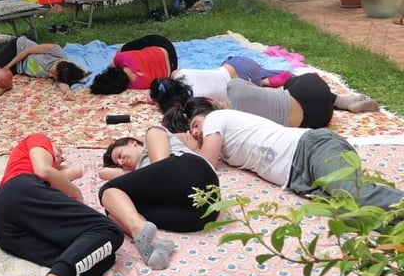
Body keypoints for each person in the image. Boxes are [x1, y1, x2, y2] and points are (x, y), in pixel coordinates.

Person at [0, 133, 125, 276]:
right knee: (109, 231)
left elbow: (54, 176)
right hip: (18, 192)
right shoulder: (38, 139)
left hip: (5, 229)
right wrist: (76, 194)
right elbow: (44, 170)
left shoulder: (44, 188)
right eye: (58, 152)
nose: (59, 157)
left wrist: (70, 173)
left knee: (101, 257)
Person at [165, 101, 404, 215]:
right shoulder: (226, 148)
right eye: (193, 132)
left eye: (195, 125)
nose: (196, 132)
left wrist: (190, 145)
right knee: (352, 213)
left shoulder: (216, 119)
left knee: (351, 192)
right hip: (299, 180)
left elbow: (206, 164)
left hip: (310, 148)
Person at [98, 125, 220, 267]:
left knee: (108, 190)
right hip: (198, 217)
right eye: (118, 164)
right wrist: (129, 172)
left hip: (193, 172)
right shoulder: (142, 177)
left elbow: (161, 166)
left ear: (133, 142)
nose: (121, 162)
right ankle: (157, 245)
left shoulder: (153, 132)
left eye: (119, 155)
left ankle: (141, 232)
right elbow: (103, 173)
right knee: (113, 210)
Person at [151, 74, 380, 129]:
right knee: (294, 82)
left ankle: (339, 102)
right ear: (211, 100)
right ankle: (340, 99)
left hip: (316, 121)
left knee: (291, 92)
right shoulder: (234, 88)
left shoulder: (228, 128)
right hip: (312, 95)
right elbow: (253, 85)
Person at [0, 36, 87, 98]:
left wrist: (68, 91)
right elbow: (27, 51)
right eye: (52, 73)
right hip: (18, 50)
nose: (49, 75)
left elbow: (61, 83)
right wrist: (6, 67)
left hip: (19, 68)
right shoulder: (56, 52)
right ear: (58, 64)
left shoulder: (62, 73)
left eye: (52, 77)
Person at [167, 55, 292, 101]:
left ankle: (264, 82)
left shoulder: (194, 99)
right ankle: (264, 79)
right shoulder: (182, 74)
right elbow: (173, 73)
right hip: (237, 64)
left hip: (244, 83)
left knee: (251, 80)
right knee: (228, 64)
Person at [90, 34, 178, 95]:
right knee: (121, 50)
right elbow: (110, 67)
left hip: (172, 66)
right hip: (163, 45)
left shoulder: (137, 86)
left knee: (122, 50)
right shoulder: (121, 57)